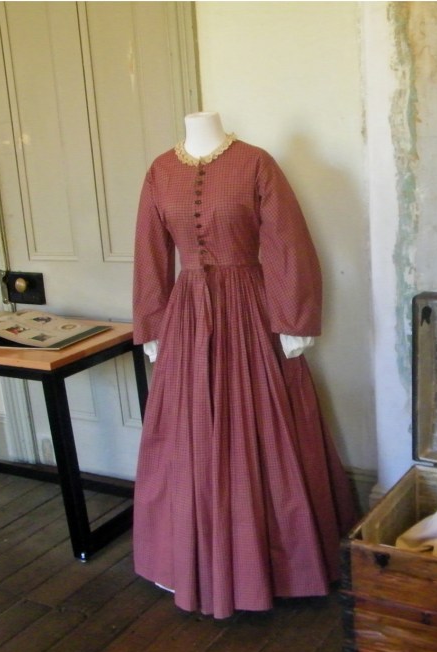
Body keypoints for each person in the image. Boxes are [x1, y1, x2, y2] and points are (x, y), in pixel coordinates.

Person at [132, 111, 357, 619]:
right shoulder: (159, 171)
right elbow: (149, 253)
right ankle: (186, 560)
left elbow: (287, 243)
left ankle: (275, 565)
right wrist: (150, 324)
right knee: (187, 434)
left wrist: (294, 318)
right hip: (187, 315)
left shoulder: (256, 164)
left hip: (250, 310)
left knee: (261, 428)